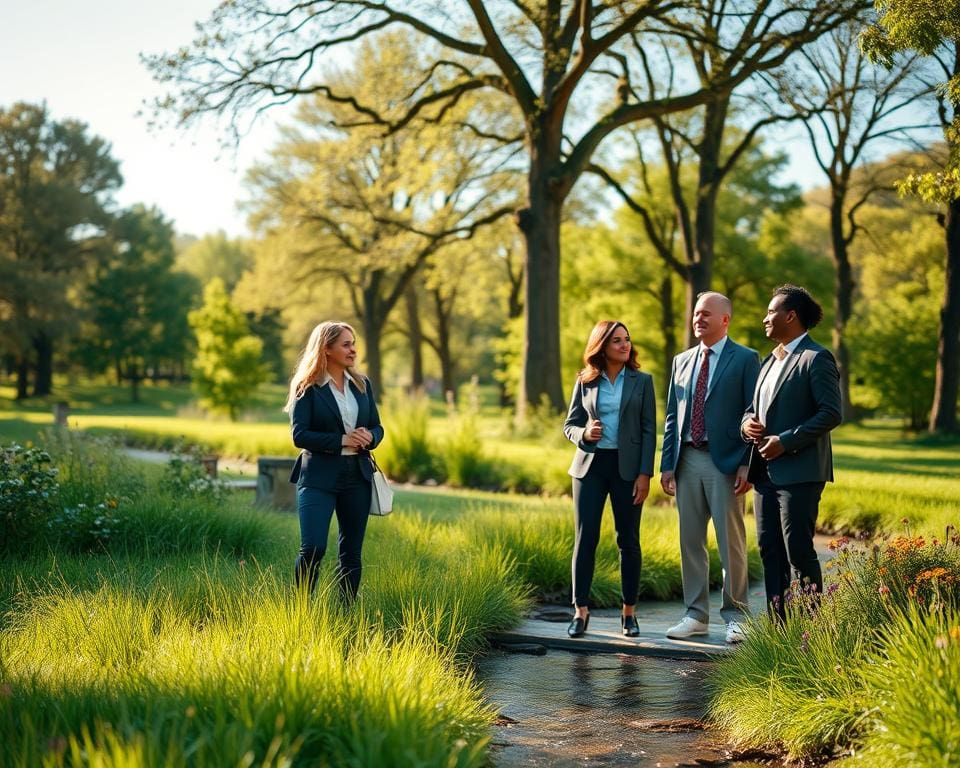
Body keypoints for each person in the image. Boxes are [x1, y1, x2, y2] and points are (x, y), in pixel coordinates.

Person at [660, 292, 760, 644]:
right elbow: (673, 415)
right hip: (686, 460)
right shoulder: (681, 361)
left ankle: (736, 616)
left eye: (706, 314)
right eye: (696, 314)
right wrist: (667, 464)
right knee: (690, 541)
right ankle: (695, 615)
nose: (698, 319)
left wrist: (748, 463)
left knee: (730, 541)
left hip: (727, 463)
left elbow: (754, 413)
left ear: (725, 320)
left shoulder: (747, 359)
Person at [741, 285, 842, 616]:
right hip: (764, 473)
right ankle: (779, 631)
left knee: (798, 552)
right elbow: (752, 408)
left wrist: (785, 440)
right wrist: (747, 425)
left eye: (771, 312)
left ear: (791, 316)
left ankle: (811, 632)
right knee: (769, 550)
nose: (765, 318)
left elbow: (831, 413)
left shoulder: (817, 358)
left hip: (800, 473)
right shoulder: (769, 360)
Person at [563, 320, 657, 638]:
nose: (624, 345)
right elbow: (570, 425)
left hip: (628, 470)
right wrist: (585, 434)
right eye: (616, 340)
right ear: (601, 346)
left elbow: (648, 430)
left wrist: (645, 474)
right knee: (585, 539)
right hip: (589, 467)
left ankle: (628, 614)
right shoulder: (585, 380)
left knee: (628, 541)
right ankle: (580, 612)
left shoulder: (642, 381)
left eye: (627, 339)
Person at [284, 321, 384, 601]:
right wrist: (342, 440)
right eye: (346, 344)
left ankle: (346, 614)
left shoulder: (363, 385)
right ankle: (300, 610)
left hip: (357, 477)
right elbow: (300, 435)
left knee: (351, 553)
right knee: (313, 547)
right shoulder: (307, 387)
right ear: (326, 349)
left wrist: (369, 435)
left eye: (354, 344)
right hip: (318, 477)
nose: (353, 350)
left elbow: (378, 427)